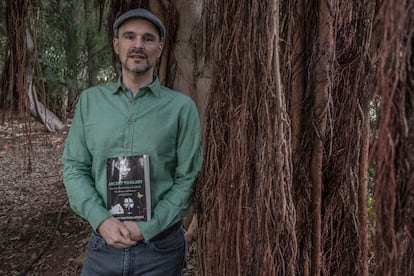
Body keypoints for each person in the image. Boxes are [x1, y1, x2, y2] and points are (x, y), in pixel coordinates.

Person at [62, 8, 203, 276]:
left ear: (159, 48)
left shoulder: (181, 108)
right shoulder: (90, 102)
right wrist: (100, 219)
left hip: (160, 250)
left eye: (148, 39)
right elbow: (73, 166)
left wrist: (147, 227)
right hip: (103, 247)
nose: (138, 45)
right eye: (129, 37)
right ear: (117, 45)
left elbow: (188, 177)